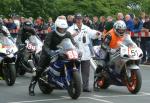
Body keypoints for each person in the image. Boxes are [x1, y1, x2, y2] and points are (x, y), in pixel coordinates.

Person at [28, 17, 77, 96]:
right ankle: (31, 87)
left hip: (63, 52)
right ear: (56, 27)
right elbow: (46, 46)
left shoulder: (67, 34)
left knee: (72, 61)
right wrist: (50, 52)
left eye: (64, 29)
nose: (62, 30)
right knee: (40, 69)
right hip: (49, 53)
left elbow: (73, 43)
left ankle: (67, 81)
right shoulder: (51, 34)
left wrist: (77, 48)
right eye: (60, 29)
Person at [67, 13, 101, 92]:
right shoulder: (71, 29)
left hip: (86, 53)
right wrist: (72, 35)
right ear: (75, 19)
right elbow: (67, 37)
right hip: (75, 52)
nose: (79, 20)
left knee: (86, 72)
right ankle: (76, 86)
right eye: (77, 19)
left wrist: (97, 33)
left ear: (82, 19)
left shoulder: (86, 28)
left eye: (80, 19)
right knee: (75, 71)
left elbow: (93, 33)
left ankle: (85, 87)